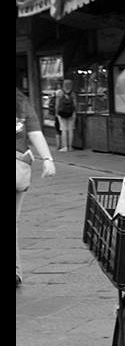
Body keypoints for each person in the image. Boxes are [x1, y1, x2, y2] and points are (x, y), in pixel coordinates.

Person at [16, 88, 56, 287]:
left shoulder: (22, 102)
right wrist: (47, 159)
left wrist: (48, 158)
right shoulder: (22, 101)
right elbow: (34, 132)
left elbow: (34, 131)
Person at [55, 78, 77, 152]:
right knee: (71, 129)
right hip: (71, 113)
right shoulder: (73, 93)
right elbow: (75, 104)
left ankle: (65, 147)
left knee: (63, 130)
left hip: (61, 113)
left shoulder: (60, 92)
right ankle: (70, 146)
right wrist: (74, 111)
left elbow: (57, 104)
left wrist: (56, 112)